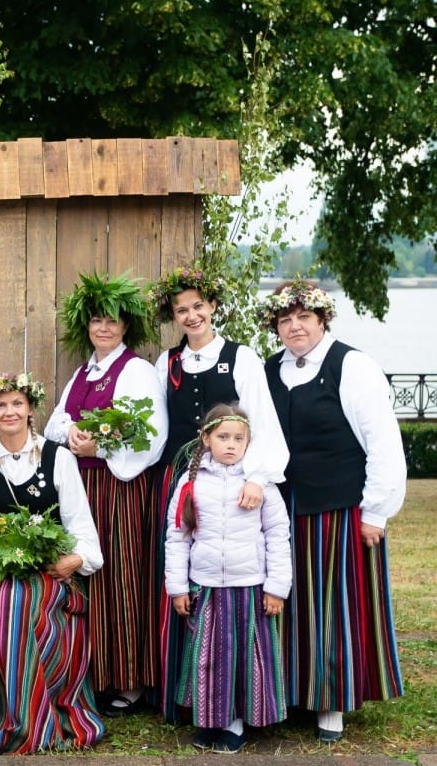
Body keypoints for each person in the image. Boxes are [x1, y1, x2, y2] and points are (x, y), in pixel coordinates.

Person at [261, 279, 406, 743]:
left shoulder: (352, 366)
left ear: (322, 319)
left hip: (338, 508)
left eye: (304, 317)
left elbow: (383, 442)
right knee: (287, 601)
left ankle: (332, 703)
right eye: (286, 320)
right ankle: (293, 692)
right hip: (283, 507)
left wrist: (376, 511)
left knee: (332, 604)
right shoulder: (268, 371)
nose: (295, 326)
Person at [147, 265, 288, 720]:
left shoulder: (240, 357)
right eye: (181, 310)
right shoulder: (165, 363)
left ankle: (232, 696)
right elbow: (155, 427)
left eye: (198, 307)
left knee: (226, 586)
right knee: (182, 573)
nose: (191, 316)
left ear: (212, 307)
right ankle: (182, 692)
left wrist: (258, 478)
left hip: (235, 482)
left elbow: (262, 422)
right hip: (182, 480)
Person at [44, 273, 167, 716]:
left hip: (121, 489)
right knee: (88, 577)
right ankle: (93, 673)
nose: (103, 328)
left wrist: (102, 446)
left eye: (111, 321)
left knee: (121, 575)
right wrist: (73, 431)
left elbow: (151, 436)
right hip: (83, 487)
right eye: (96, 320)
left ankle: (130, 680)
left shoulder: (136, 370)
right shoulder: (83, 372)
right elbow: (54, 423)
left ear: (124, 327)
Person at [0, 373, 105, 752]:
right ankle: (13, 714)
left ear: (31, 409)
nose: (10, 411)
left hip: (50, 568)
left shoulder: (57, 457)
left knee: (26, 603)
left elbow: (79, 521)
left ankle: (39, 712)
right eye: (1, 405)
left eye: (17, 403)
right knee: (4, 601)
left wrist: (75, 560)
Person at [165, 404, 291, 753]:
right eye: (223, 437)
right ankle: (209, 720)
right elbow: (178, 537)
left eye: (239, 438)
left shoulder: (259, 484)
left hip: (248, 586)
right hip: (205, 587)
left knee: (242, 658)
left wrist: (276, 587)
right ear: (206, 439)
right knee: (207, 657)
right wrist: (177, 587)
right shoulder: (190, 483)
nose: (231, 445)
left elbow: (279, 534)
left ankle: (235, 723)